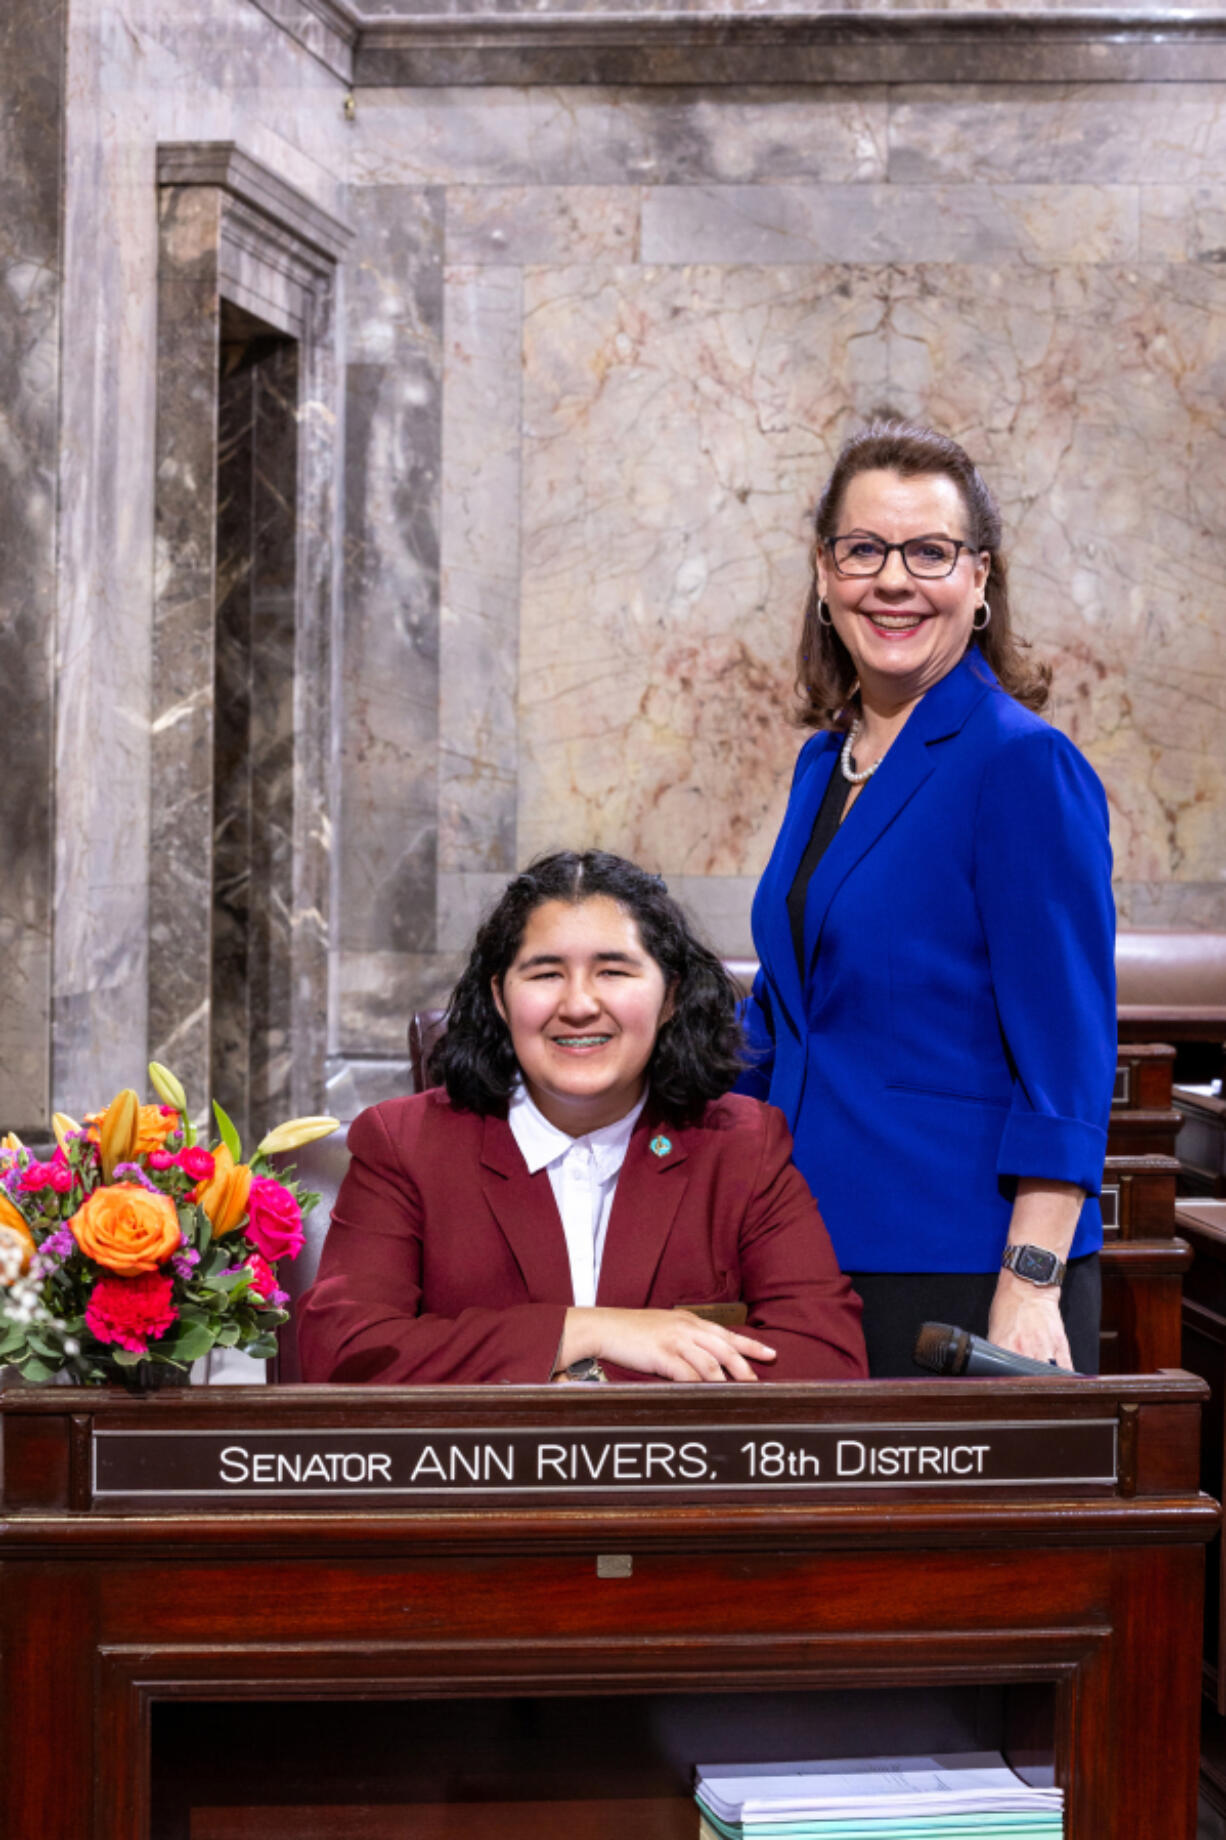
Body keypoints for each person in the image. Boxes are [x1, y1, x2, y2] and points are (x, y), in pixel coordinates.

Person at [736, 421, 1116, 1377]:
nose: (893, 580)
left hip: (959, 1269)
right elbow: (789, 1015)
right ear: (825, 576)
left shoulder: (1021, 763)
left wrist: (1029, 1283)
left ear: (979, 580)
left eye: (929, 553)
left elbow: (1065, 1059)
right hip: (803, 1247)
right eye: (863, 550)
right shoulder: (824, 764)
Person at [298, 852, 867, 1385]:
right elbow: (344, 1351)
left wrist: (581, 1376)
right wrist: (588, 1329)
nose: (577, 1005)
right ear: (500, 997)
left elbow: (827, 1360)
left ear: (669, 996)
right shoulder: (405, 1144)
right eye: (545, 974)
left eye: (613, 972)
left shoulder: (742, 1145)